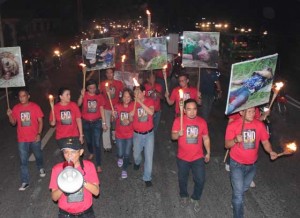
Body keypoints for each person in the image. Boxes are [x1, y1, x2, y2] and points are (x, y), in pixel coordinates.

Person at [225, 107, 278, 218]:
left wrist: (271, 151)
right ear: (241, 112)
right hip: (236, 164)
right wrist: (235, 140)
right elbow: (226, 145)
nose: (252, 113)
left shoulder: (259, 125)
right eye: (249, 111)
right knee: (239, 195)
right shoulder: (233, 125)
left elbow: (265, 142)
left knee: (243, 188)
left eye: (254, 111)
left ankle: (235, 200)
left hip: (252, 165)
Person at [171, 99, 211, 212]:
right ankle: (183, 195)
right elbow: (173, 137)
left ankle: (196, 197)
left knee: (200, 180)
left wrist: (208, 152)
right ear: (184, 110)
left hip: (197, 157)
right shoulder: (178, 121)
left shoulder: (202, 122)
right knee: (182, 179)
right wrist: (178, 134)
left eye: (194, 109)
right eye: (189, 109)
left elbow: (206, 138)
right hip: (182, 157)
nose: (192, 112)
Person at [49, 137, 100, 218]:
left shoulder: (89, 166)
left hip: (86, 213)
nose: (69, 155)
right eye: (66, 152)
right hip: (65, 214)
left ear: (81, 152)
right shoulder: (57, 169)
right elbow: (54, 198)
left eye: (73, 152)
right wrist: (63, 187)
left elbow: (96, 192)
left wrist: (81, 181)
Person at [7, 88, 46, 191]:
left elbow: (40, 121)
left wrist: (39, 134)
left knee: (38, 155)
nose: (21, 98)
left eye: (24, 96)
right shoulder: (16, 108)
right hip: (22, 139)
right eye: (20, 96)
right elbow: (13, 123)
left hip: (34, 137)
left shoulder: (35, 107)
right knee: (23, 161)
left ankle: (40, 167)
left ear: (28, 96)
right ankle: (25, 181)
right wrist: (10, 115)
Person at [77, 79, 107, 173]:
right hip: (85, 122)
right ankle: (91, 151)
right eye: (90, 88)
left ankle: (98, 164)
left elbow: (101, 109)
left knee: (97, 143)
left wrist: (104, 123)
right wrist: (81, 96)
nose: (92, 89)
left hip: (97, 122)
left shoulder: (99, 96)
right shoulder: (84, 95)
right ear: (87, 88)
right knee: (89, 141)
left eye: (94, 87)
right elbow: (78, 104)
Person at [130, 84, 155, 187]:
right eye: (135, 92)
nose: (136, 94)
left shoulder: (150, 101)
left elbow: (151, 112)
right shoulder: (132, 104)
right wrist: (131, 116)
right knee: (136, 154)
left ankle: (147, 177)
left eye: (139, 92)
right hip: (137, 134)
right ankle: (137, 162)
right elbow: (131, 120)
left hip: (149, 134)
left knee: (149, 157)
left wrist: (140, 102)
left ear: (144, 93)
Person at [99, 68, 124, 152]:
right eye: (107, 73)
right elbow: (98, 95)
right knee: (106, 126)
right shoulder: (102, 84)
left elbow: (123, 94)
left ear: (113, 74)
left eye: (111, 73)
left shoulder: (119, 83)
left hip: (116, 108)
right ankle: (107, 146)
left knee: (116, 125)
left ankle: (115, 138)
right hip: (106, 108)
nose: (109, 74)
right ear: (106, 74)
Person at [112, 88, 134, 179]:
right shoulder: (117, 106)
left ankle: (124, 169)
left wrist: (130, 119)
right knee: (120, 152)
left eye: (128, 97)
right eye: (125, 96)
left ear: (131, 98)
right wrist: (113, 116)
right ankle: (120, 157)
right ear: (122, 97)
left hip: (130, 134)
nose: (126, 98)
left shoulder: (133, 106)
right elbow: (113, 120)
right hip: (119, 134)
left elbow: (133, 120)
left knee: (127, 153)